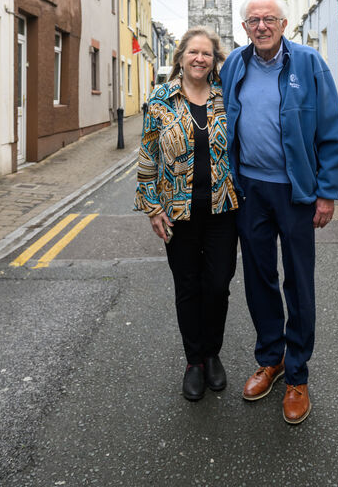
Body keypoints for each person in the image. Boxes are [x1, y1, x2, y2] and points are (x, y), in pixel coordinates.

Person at [220, 0, 338, 424]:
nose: (261, 26)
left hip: (296, 192)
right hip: (250, 190)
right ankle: (270, 359)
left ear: (283, 23)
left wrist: (327, 192)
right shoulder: (234, 64)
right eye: (253, 20)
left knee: (299, 283)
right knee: (258, 279)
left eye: (268, 19)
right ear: (244, 28)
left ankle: (297, 375)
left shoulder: (309, 64)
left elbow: (331, 129)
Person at [135, 27, 238, 401]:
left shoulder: (227, 98)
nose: (199, 59)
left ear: (214, 60)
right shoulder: (161, 99)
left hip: (223, 208)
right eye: (193, 52)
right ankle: (194, 360)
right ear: (180, 57)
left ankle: (213, 352)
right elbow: (148, 154)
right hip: (177, 211)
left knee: (217, 285)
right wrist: (151, 207)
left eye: (207, 54)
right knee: (187, 286)